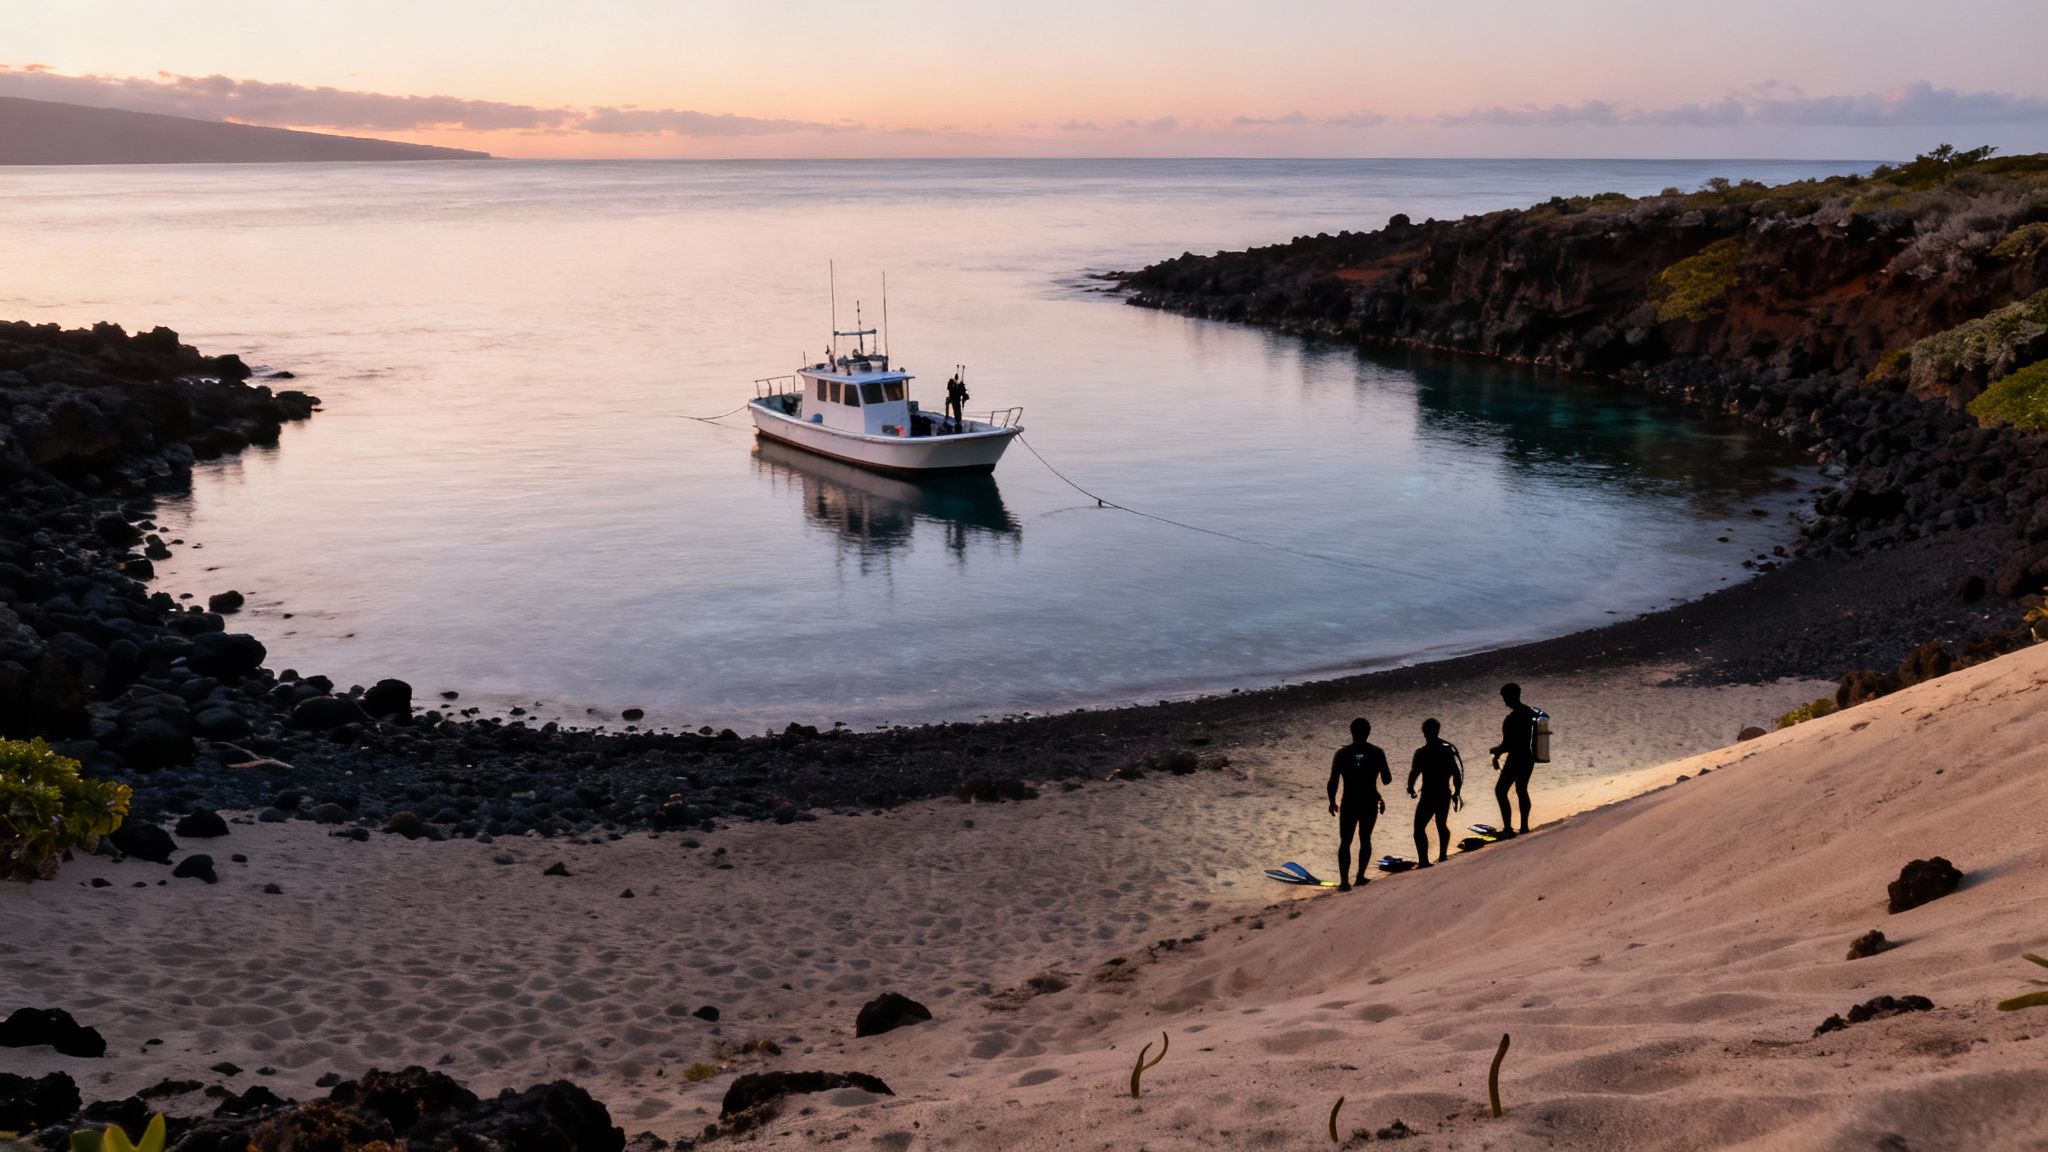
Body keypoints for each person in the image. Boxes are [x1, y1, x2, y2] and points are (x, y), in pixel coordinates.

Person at [1326, 717, 1391, 891]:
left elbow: (1333, 781)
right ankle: (1360, 876)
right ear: (1368, 733)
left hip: (1349, 802)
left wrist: (1332, 801)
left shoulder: (1342, 754)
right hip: (1369, 802)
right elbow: (1387, 780)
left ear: (1352, 732)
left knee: (1345, 842)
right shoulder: (1377, 752)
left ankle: (1344, 882)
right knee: (1365, 839)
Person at [1407, 718, 1464, 866]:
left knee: (1419, 828)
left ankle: (1424, 861)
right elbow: (1456, 773)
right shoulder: (1446, 750)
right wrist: (1456, 792)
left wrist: (1411, 787)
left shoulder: (1421, 752)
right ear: (1437, 731)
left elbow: (1414, 773)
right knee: (1441, 824)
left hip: (1429, 795)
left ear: (1424, 733)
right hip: (1444, 793)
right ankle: (1442, 855)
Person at [1489, 682, 1538, 836]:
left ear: (1511, 696)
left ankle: (1508, 829)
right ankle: (1524, 826)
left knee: (1500, 791)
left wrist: (1495, 751)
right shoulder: (1530, 712)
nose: (1504, 700)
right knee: (1521, 789)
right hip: (1529, 756)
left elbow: (1508, 744)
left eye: (1504, 696)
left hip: (1516, 758)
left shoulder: (1512, 718)